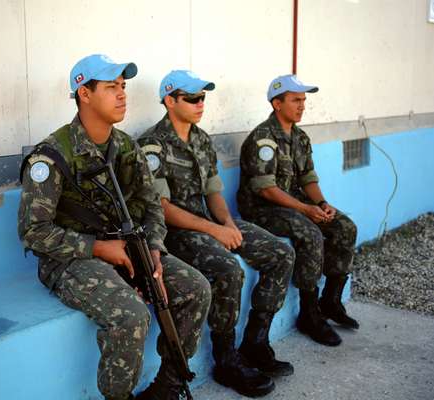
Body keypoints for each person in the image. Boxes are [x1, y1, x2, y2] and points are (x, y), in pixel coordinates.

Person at [18, 55, 211, 400]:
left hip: (126, 249)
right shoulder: (51, 156)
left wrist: (154, 250)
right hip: (70, 259)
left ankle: (167, 388)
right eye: (111, 87)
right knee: (131, 316)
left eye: (123, 86)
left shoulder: (125, 147)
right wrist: (97, 248)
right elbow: (34, 232)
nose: (122, 94)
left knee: (196, 288)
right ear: (84, 94)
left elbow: (152, 207)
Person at [137, 70, 295, 397]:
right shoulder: (151, 146)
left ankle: (255, 342)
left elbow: (214, 193)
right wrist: (213, 229)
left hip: (209, 221)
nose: (200, 104)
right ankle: (226, 358)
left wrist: (229, 225)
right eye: (192, 98)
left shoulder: (201, 139)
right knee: (229, 270)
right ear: (170, 101)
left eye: (203, 97)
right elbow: (162, 207)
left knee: (281, 254)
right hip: (176, 232)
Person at [237, 74, 359, 347]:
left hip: (293, 204)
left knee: (344, 226)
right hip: (262, 209)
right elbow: (266, 189)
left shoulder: (300, 137)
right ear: (277, 103)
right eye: (295, 100)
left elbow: (307, 178)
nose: (302, 105)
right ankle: (309, 312)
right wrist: (306, 209)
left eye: (304, 100)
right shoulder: (263, 139)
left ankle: (331, 301)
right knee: (310, 232)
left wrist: (322, 204)